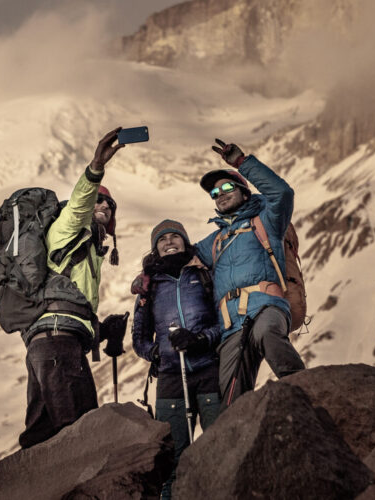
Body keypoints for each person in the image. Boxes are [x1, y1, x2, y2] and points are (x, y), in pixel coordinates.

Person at [18, 127, 129, 448]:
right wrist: (96, 167)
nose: (105, 208)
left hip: (48, 344)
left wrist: (102, 330)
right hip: (58, 346)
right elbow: (81, 201)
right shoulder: (68, 227)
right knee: (82, 430)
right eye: (101, 203)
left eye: (110, 208)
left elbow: (68, 308)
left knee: (41, 434)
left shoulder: (87, 252)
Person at [195, 139, 306, 406]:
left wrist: (242, 163)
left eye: (226, 187)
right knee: (231, 397)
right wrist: (149, 270)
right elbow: (179, 257)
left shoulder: (266, 221)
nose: (219, 193)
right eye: (214, 193)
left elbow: (282, 194)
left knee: (267, 334)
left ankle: (308, 394)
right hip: (230, 324)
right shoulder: (214, 241)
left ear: (245, 192)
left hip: (267, 306)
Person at [132, 219, 222, 498]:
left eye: (174, 237)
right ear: (155, 249)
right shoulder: (149, 287)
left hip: (209, 370)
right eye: (162, 239)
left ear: (185, 241)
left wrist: (199, 340)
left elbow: (224, 322)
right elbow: (139, 338)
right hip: (171, 377)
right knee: (173, 460)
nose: (169, 242)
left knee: (220, 448)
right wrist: (157, 352)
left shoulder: (205, 275)